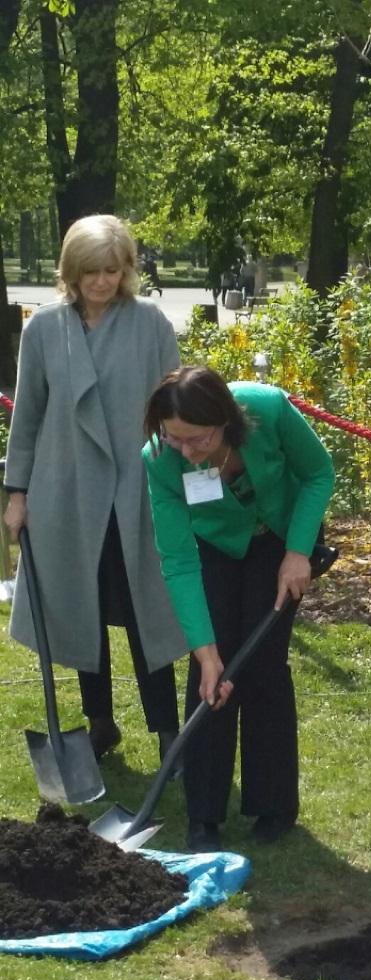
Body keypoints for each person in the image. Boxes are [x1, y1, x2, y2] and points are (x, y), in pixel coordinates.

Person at [3, 214, 186, 764]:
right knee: (80, 609)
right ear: (71, 272)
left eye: (112, 270)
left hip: (136, 490)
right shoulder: (43, 329)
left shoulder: (150, 323)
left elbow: (174, 406)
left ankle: (168, 732)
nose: (102, 282)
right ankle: (99, 723)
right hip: (67, 491)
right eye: (91, 272)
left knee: (143, 611)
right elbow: (29, 415)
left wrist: (186, 481)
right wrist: (17, 493)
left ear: (127, 270)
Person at [142, 366, 335, 852]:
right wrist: (205, 651)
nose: (187, 451)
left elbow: (318, 473)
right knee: (213, 670)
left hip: (280, 537)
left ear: (224, 419)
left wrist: (298, 551)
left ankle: (273, 806)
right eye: (174, 438)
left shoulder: (268, 409)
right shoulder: (161, 460)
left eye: (197, 438)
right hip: (215, 545)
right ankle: (203, 814)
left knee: (264, 663)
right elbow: (179, 560)